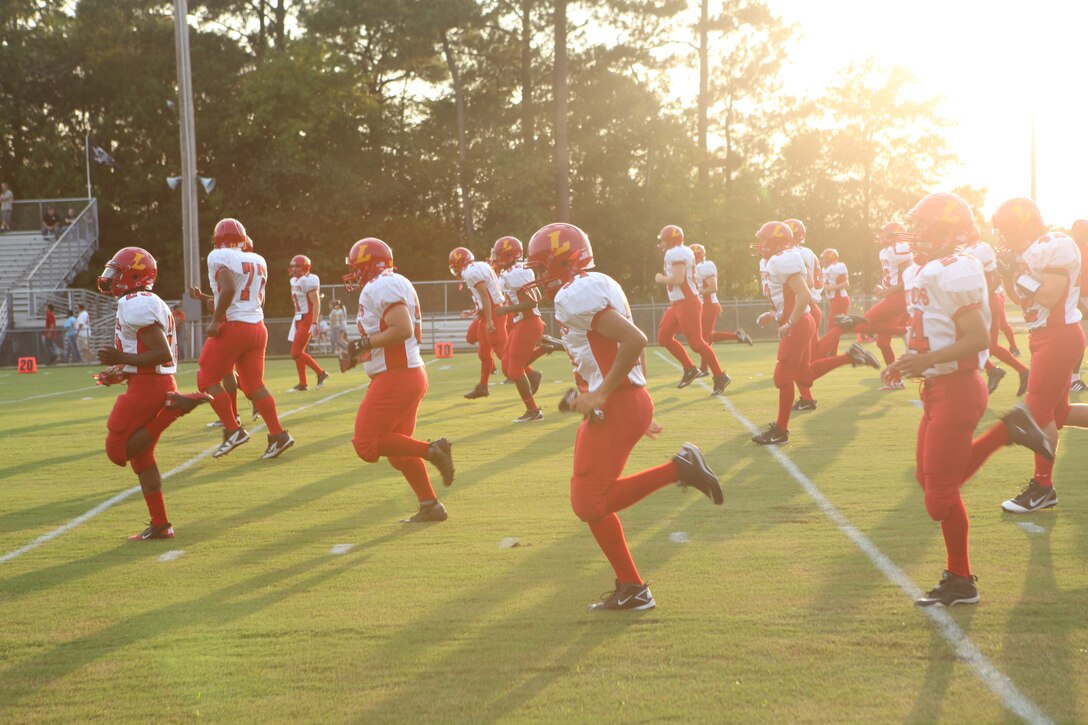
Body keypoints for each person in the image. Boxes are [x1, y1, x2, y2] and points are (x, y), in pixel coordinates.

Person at [523, 222, 723, 611]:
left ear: (563, 261)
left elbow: (634, 339)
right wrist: (634, 398)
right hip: (620, 401)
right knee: (589, 499)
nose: (538, 276)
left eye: (543, 267)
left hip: (614, 402)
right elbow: (626, 345)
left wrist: (605, 393)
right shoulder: (595, 283)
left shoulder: (576, 293)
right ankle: (631, 586)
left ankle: (679, 470)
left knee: (589, 502)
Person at [883, 192, 1051, 607]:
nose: (916, 235)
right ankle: (959, 580)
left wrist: (924, 358)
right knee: (931, 484)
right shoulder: (928, 270)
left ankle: (961, 579)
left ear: (946, 231)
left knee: (939, 497)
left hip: (957, 388)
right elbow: (934, 327)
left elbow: (976, 338)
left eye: (924, 227)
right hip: (939, 387)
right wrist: (913, 361)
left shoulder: (954, 269)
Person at [968, 198, 1088, 515]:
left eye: (1007, 230)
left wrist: (1018, 275)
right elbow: (1017, 296)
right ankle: (1042, 488)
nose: (1003, 237)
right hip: (1043, 335)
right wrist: (1009, 275)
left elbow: (1050, 294)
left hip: (1059, 333)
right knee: (1058, 414)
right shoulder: (1027, 251)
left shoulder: (1056, 243)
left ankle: (1043, 488)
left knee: (1034, 413)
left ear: (1023, 225)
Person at [93, 246, 212, 541]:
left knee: (117, 450)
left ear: (133, 275)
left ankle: (173, 409)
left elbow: (161, 354)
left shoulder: (136, 303)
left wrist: (121, 360)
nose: (111, 277)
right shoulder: (143, 300)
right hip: (150, 381)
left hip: (150, 385)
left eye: (117, 272)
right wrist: (120, 371)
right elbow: (147, 352)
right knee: (142, 458)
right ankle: (161, 524)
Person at [342, 237, 455, 523]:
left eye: (357, 268)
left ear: (370, 266)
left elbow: (402, 328)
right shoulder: (389, 282)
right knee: (399, 454)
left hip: (398, 376)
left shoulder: (381, 284)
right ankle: (430, 506)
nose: (354, 274)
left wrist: (362, 343)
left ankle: (434, 450)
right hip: (406, 374)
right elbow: (389, 334)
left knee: (366, 444)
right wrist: (358, 354)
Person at [750, 222, 879, 443]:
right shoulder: (789, 256)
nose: (760, 243)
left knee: (783, 376)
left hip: (799, 323)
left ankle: (780, 431)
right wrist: (774, 312)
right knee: (804, 375)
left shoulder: (781, 260)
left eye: (764, 239)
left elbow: (803, 293)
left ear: (777, 241)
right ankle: (850, 356)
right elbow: (801, 285)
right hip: (802, 319)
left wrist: (789, 322)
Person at [197, 217, 294, 459]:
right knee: (254, 385)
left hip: (234, 325)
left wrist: (216, 319)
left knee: (206, 378)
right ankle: (278, 434)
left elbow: (228, 288)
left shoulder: (218, 256)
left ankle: (233, 430)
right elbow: (258, 297)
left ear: (217, 239)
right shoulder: (257, 259)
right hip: (257, 327)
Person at [654, 225, 731, 395]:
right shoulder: (677, 252)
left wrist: (660, 278)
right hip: (677, 303)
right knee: (664, 337)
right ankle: (690, 369)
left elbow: (678, 279)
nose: (661, 244)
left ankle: (720, 375)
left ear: (672, 240)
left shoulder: (677, 253)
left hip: (687, 303)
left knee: (697, 343)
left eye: (664, 240)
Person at [827, 222, 912, 372]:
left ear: (894, 236)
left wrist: (889, 290)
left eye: (886, 234)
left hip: (898, 297)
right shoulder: (886, 252)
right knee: (882, 343)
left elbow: (908, 279)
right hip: (893, 295)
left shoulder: (899, 250)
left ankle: (904, 332)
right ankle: (895, 379)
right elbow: (894, 276)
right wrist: (885, 288)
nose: (882, 236)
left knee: (863, 322)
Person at [961, 228, 1030, 395]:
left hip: (989, 301)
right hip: (989, 300)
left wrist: (983, 297)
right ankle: (1015, 371)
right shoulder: (972, 249)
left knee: (975, 343)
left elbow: (996, 276)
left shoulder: (977, 249)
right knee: (985, 345)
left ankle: (998, 372)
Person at [490, 236, 548, 422]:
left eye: (499, 255)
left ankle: (533, 411)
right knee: (507, 365)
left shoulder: (515, 273)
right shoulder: (515, 270)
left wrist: (507, 309)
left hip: (528, 322)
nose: (496, 258)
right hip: (521, 323)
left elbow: (531, 302)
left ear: (507, 255)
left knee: (514, 371)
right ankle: (540, 361)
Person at [449, 246, 508, 399]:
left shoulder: (470, 272)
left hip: (493, 312)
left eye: (455, 265)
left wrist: (489, 320)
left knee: (503, 353)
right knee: (484, 353)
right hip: (488, 312)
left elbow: (486, 296)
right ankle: (483, 386)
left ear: (460, 263)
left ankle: (530, 374)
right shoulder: (480, 265)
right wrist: (479, 312)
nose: (455, 269)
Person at [691, 243, 751, 380]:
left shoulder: (704, 266)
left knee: (702, 340)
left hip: (709, 307)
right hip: (703, 307)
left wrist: (693, 293)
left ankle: (705, 369)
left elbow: (713, 288)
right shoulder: (694, 269)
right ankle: (737, 336)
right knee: (707, 337)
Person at [286, 254, 329, 392]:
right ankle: (303, 384)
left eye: (297, 266)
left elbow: (316, 303)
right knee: (299, 353)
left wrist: (315, 322)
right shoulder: (293, 280)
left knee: (295, 353)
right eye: (293, 266)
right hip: (298, 318)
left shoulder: (309, 280)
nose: (294, 269)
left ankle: (321, 373)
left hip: (307, 318)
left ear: (305, 268)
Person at [820, 248, 850, 354]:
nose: (823, 261)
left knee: (832, 327)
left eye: (825, 258)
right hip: (834, 300)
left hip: (840, 299)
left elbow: (846, 284)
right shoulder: (825, 269)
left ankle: (831, 351)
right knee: (834, 328)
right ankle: (832, 352)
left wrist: (831, 288)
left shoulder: (837, 267)